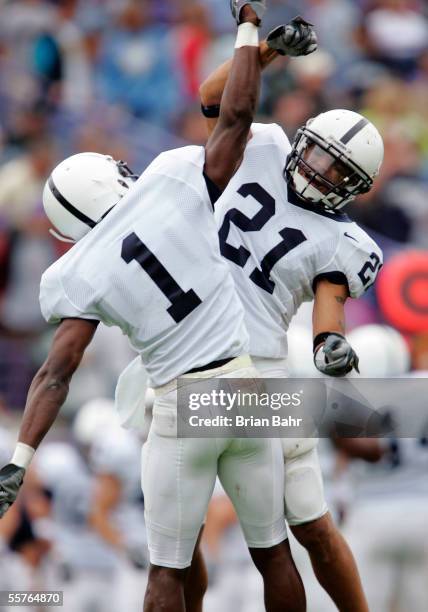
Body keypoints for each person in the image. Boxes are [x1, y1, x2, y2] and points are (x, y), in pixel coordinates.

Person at [0, 3, 312, 611]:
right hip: (246, 388)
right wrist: (248, 29)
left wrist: (19, 459)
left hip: (178, 404)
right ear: (113, 179)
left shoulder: (74, 272)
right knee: (273, 552)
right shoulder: (171, 175)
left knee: (166, 572)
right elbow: (239, 112)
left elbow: (55, 373)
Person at [194, 33, 385, 612]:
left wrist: (330, 345)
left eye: (337, 170)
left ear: (356, 188)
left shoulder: (345, 241)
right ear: (302, 141)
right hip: (193, 351)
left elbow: (330, 308)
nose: (320, 172)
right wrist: (265, 51)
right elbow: (212, 96)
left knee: (306, 531)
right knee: (185, 531)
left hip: (263, 367)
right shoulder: (265, 144)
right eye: (319, 154)